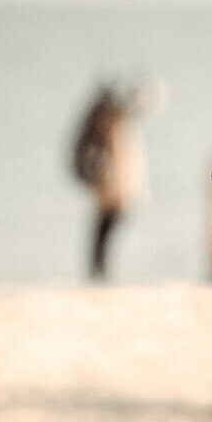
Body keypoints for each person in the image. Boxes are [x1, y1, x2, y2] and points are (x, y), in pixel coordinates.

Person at [72, 80, 148, 280]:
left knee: (105, 228)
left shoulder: (108, 120)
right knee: (105, 227)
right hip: (112, 184)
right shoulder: (108, 121)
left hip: (113, 184)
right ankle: (99, 272)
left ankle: (99, 271)